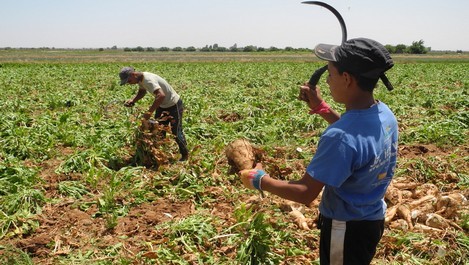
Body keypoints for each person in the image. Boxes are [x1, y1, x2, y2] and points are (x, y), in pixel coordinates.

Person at [239, 38, 398, 265]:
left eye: (330, 75)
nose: (328, 81)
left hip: (345, 229)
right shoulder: (384, 114)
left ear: (347, 79)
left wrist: (260, 180)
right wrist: (322, 108)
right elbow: (358, 140)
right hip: (372, 218)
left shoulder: (341, 137)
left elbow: (305, 192)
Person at [119, 67, 189, 161]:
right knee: (158, 131)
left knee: (176, 131)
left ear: (133, 74)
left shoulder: (148, 80)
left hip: (174, 105)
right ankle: (161, 154)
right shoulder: (140, 79)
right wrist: (133, 100)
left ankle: (185, 155)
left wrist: (149, 112)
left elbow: (161, 95)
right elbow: (142, 91)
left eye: (129, 80)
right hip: (162, 106)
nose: (129, 83)